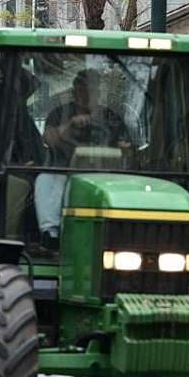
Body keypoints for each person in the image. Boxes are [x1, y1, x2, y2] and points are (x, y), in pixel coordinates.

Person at [35, 69, 130, 248]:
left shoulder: (112, 118)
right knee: (44, 179)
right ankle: (51, 235)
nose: (86, 94)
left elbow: (127, 148)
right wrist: (69, 125)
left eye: (91, 89)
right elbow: (49, 138)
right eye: (82, 88)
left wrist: (124, 148)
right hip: (64, 174)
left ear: (99, 91)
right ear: (74, 91)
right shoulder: (59, 113)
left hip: (107, 177)